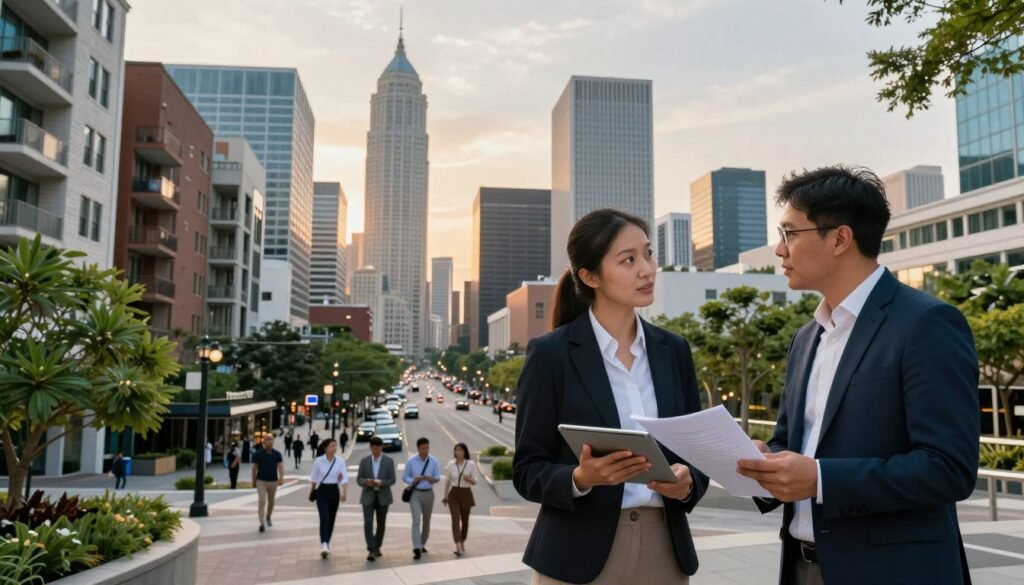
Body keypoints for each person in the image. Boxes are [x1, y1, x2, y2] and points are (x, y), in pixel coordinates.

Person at [735, 166, 979, 585]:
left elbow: (948, 468)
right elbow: (791, 442)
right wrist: (764, 461)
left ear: (840, 239)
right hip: (801, 566)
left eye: (790, 233)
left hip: (893, 573)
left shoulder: (927, 324)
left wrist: (821, 479)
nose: (779, 249)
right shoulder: (806, 338)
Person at [514, 208, 709, 584]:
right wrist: (580, 477)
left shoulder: (674, 350)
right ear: (589, 276)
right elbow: (527, 470)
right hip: (576, 553)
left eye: (649, 254)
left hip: (664, 551)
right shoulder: (551, 355)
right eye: (629, 260)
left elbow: (694, 452)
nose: (647, 269)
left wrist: (688, 483)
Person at [357, 436, 397, 561]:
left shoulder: (388, 461)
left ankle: (377, 546)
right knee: (368, 523)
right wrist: (367, 482)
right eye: (373, 448)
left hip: (383, 495)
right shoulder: (364, 461)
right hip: (368, 495)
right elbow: (359, 479)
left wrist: (381, 483)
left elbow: (392, 479)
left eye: (378, 447)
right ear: (370, 448)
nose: (376, 450)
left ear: (381, 447)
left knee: (381, 524)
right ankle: (371, 549)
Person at [403, 437, 442, 560]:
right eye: (423, 448)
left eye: (427, 448)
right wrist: (413, 480)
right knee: (416, 520)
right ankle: (416, 547)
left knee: (426, 521)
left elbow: (437, 477)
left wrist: (431, 478)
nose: (425, 450)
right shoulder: (411, 461)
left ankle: (422, 543)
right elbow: (405, 477)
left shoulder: (434, 461)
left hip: (429, 493)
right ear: (418, 448)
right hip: (415, 493)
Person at [310, 438, 349, 558]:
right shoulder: (319, 461)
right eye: (332, 446)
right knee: (324, 517)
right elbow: (314, 478)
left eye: (335, 446)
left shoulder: (340, 461)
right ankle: (324, 544)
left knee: (331, 519)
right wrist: (312, 491)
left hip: (333, 491)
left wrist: (344, 492)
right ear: (325, 448)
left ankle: (327, 541)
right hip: (322, 491)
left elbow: (344, 478)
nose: (334, 448)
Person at [442, 442, 477, 557]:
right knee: (455, 519)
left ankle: (462, 541)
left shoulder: (470, 464)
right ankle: (457, 545)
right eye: (456, 450)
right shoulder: (451, 464)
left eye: (460, 450)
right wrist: (445, 495)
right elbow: (447, 480)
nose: (458, 452)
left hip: (466, 492)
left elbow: (475, 481)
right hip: (454, 493)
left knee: (465, 521)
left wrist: (469, 479)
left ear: (465, 451)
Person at [251, 433, 285, 533]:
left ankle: (268, 516)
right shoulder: (258, 454)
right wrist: (254, 480)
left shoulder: (277, 454)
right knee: (262, 501)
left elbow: (281, 466)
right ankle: (262, 522)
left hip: (273, 481)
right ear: (263, 442)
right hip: (261, 481)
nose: (269, 441)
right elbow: (254, 468)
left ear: (273, 441)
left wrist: (281, 478)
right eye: (267, 440)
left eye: (271, 440)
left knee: (271, 502)